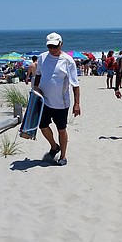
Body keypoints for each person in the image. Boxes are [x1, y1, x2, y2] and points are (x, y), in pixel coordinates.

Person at [34, 32, 80, 166]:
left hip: (61, 103)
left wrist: (77, 104)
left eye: (55, 46)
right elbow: (38, 74)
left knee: (61, 129)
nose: (52, 49)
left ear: (61, 44)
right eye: (50, 46)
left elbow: (75, 84)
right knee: (43, 126)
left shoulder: (68, 61)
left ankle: (63, 156)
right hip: (44, 101)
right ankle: (54, 147)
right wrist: (36, 88)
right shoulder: (42, 57)